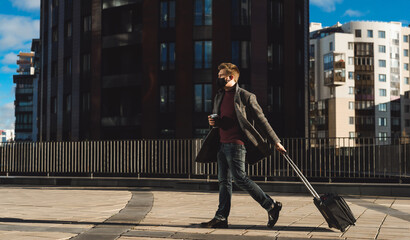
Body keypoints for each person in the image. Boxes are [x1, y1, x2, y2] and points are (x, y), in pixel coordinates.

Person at [196, 62, 287, 229]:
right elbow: (220, 120)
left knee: (240, 178)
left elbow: (261, 120)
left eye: (221, 76)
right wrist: (213, 122)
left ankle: (271, 205)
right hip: (221, 144)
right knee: (224, 181)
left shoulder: (246, 96)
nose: (219, 79)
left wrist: (276, 141)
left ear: (231, 77)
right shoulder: (219, 96)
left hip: (237, 145)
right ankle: (221, 218)